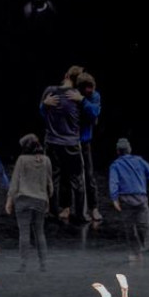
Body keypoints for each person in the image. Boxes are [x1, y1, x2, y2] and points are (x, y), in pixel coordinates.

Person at [40, 65, 88, 222]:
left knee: (52, 178)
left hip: (52, 142)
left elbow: (43, 112)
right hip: (71, 143)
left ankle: (53, 212)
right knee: (77, 179)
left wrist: (45, 104)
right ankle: (80, 214)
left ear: (66, 75)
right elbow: (89, 117)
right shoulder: (78, 96)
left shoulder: (50, 91)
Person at [109, 138, 149, 266]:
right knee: (147, 225)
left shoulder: (115, 165)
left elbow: (113, 182)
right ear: (130, 149)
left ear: (117, 151)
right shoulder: (139, 161)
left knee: (130, 228)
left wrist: (114, 198)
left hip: (126, 199)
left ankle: (136, 253)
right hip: (141, 198)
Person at [5, 133, 53, 272]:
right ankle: (43, 264)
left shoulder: (22, 160)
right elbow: (50, 184)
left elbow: (15, 182)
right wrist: (47, 199)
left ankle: (23, 264)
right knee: (40, 232)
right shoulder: (46, 160)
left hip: (23, 200)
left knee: (24, 233)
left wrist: (9, 200)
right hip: (40, 200)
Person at [59, 72, 102, 221]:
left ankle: (94, 208)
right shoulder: (71, 93)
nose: (90, 90)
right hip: (69, 141)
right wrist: (45, 104)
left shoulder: (94, 96)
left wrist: (82, 100)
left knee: (88, 176)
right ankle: (66, 207)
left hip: (84, 141)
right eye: (87, 88)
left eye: (91, 87)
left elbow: (95, 112)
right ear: (80, 88)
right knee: (66, 175)